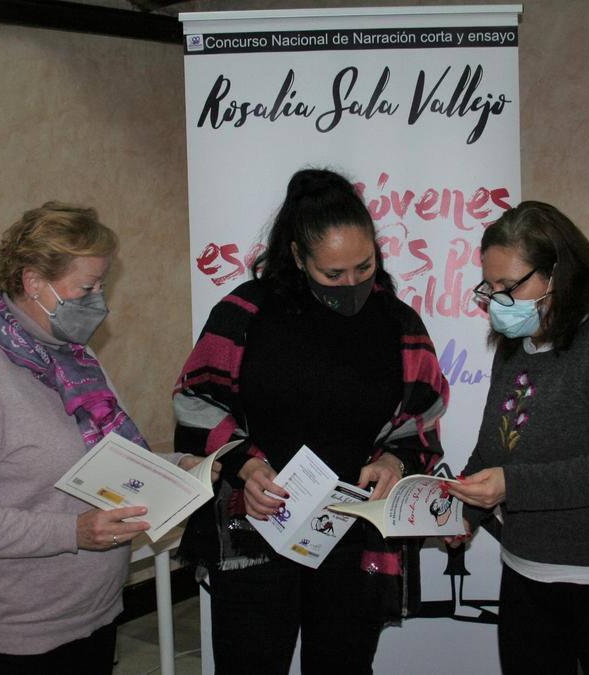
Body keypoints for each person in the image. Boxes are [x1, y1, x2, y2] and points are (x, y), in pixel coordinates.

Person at [172, 168, 450, 674]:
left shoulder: (399, 325)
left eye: (365, 267)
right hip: (255, 528)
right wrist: (243, 466)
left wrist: (394, 459)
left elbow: (421, 421)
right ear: (298, 257)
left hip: (351, 537)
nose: (353, 285)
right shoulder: (245, 314)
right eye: (333, 274)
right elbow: (197, 401)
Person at [0, 202, 213, 675]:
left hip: (92, 609)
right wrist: (71, 533)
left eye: (102, 285)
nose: (100, 301)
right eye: (88, 288)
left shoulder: (74, 358)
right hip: (16, 628)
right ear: (35, 283)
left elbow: (107, 455)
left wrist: (177, 464)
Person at [446, 201, 589, 674]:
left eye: (508, 286)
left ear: (558, 273)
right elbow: (496, 447)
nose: (495, 301)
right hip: (529, 568)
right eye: (488, 288)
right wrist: (462, 511)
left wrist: (513, 486)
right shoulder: (517, 342)